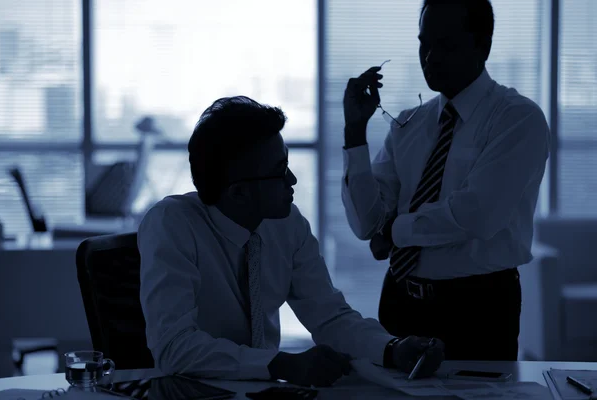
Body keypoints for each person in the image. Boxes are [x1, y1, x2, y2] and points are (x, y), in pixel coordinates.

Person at [138, 96, 444, 387]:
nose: (293, 180)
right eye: (279, 172)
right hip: (191, 391)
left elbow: (329, 317)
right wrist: (280, 365)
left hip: (263, 391)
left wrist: (392, 349)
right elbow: (174, 348)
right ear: (238, 192)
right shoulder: (172, 224)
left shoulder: (287, 223)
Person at [341, 0, 550, 361]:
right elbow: (365, 224)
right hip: (399, 299)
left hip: (477, 308)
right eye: (425, 43)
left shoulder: (517, 118)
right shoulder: (410, 123)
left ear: (482, 46)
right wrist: (355, 133)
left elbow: (477, 215)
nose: (431, 57)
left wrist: (394, 233)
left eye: (447, 44)